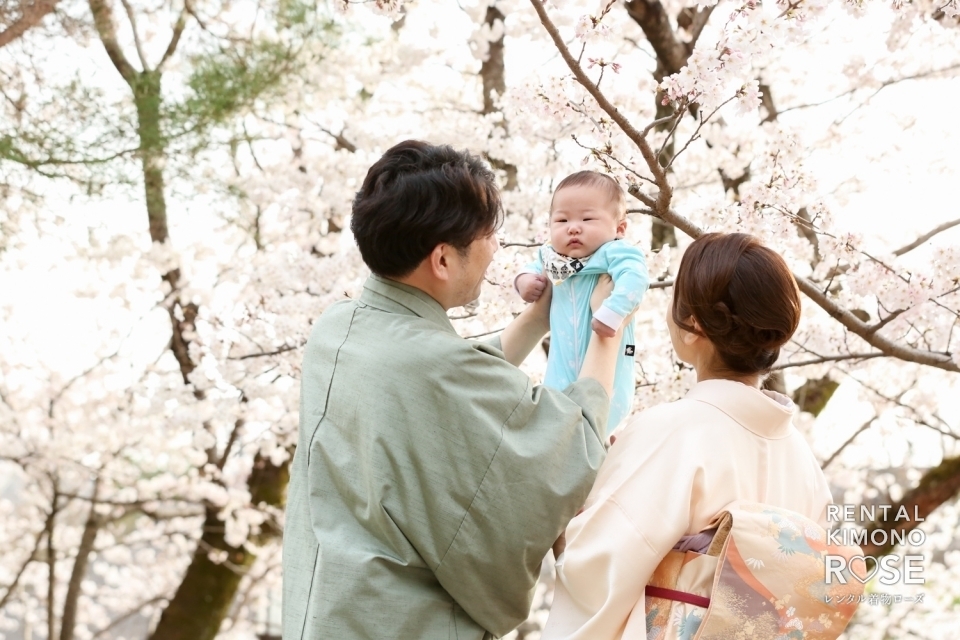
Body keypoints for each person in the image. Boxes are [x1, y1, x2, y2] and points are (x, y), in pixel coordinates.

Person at [282, 141, 628, 640]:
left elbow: (450, 377)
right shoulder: (434, 366)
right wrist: (608, 325)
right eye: (486, 234)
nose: (496, 247)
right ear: (442, 259)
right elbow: (572, 446)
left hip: (331, 614)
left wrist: (538, 317)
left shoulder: (337, 328)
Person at [541, 233, 834, 640]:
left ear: (693, 324)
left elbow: (596, 573)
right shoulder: (806, 466)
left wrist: (574, 502)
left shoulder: (670, 430)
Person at [515, 171, 649, 432]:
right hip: (560, 368)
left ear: (619, 228)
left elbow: (636, 278)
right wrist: (525, 281)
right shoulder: (551, 257)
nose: (573, 227)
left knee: (596, 418)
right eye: (562, 220)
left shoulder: (614, 252)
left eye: (587, 219)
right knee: (556, 415)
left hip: (608, 370)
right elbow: (531, 267)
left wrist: (612, 312)